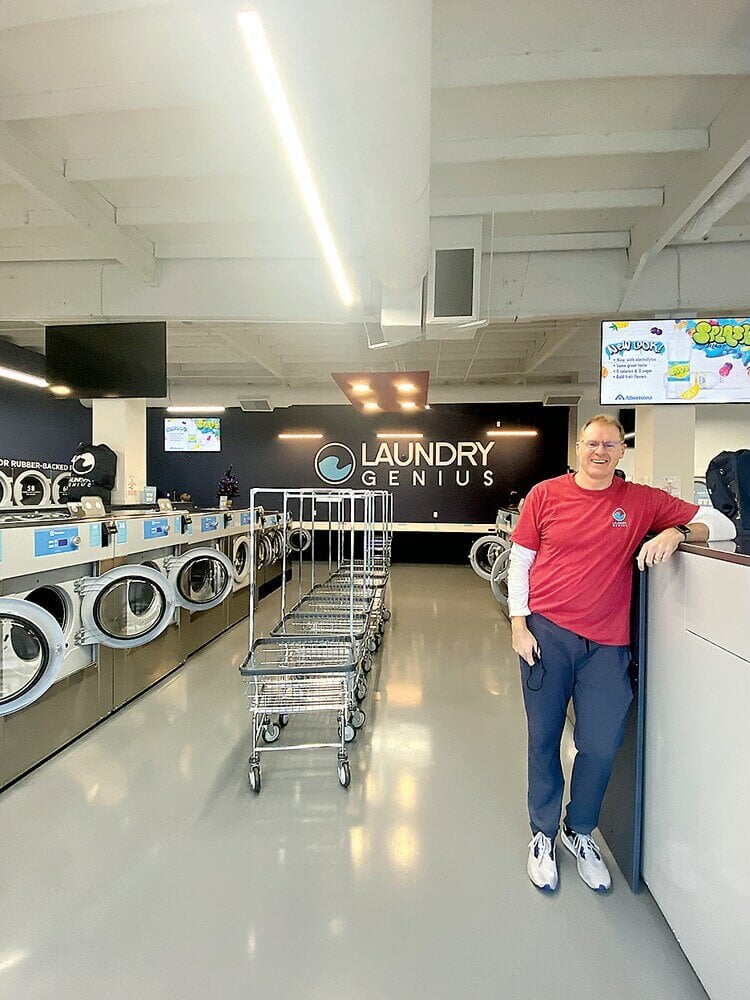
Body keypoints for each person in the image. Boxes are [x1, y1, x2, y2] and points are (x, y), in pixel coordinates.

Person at [508, 414, 736, 893]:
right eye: (592, 443)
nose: (599, 452)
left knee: (601, 745)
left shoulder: (640, 500)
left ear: (621, 451)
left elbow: (717, 521)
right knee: (544, 740)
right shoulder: (545, 495)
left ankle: (579, 829)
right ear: (578, 447)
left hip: (608, 647)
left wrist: (677, 532)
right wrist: (518, 623)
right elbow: (521, 560)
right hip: (546, 635)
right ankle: (543, 833)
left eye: (609, 444)